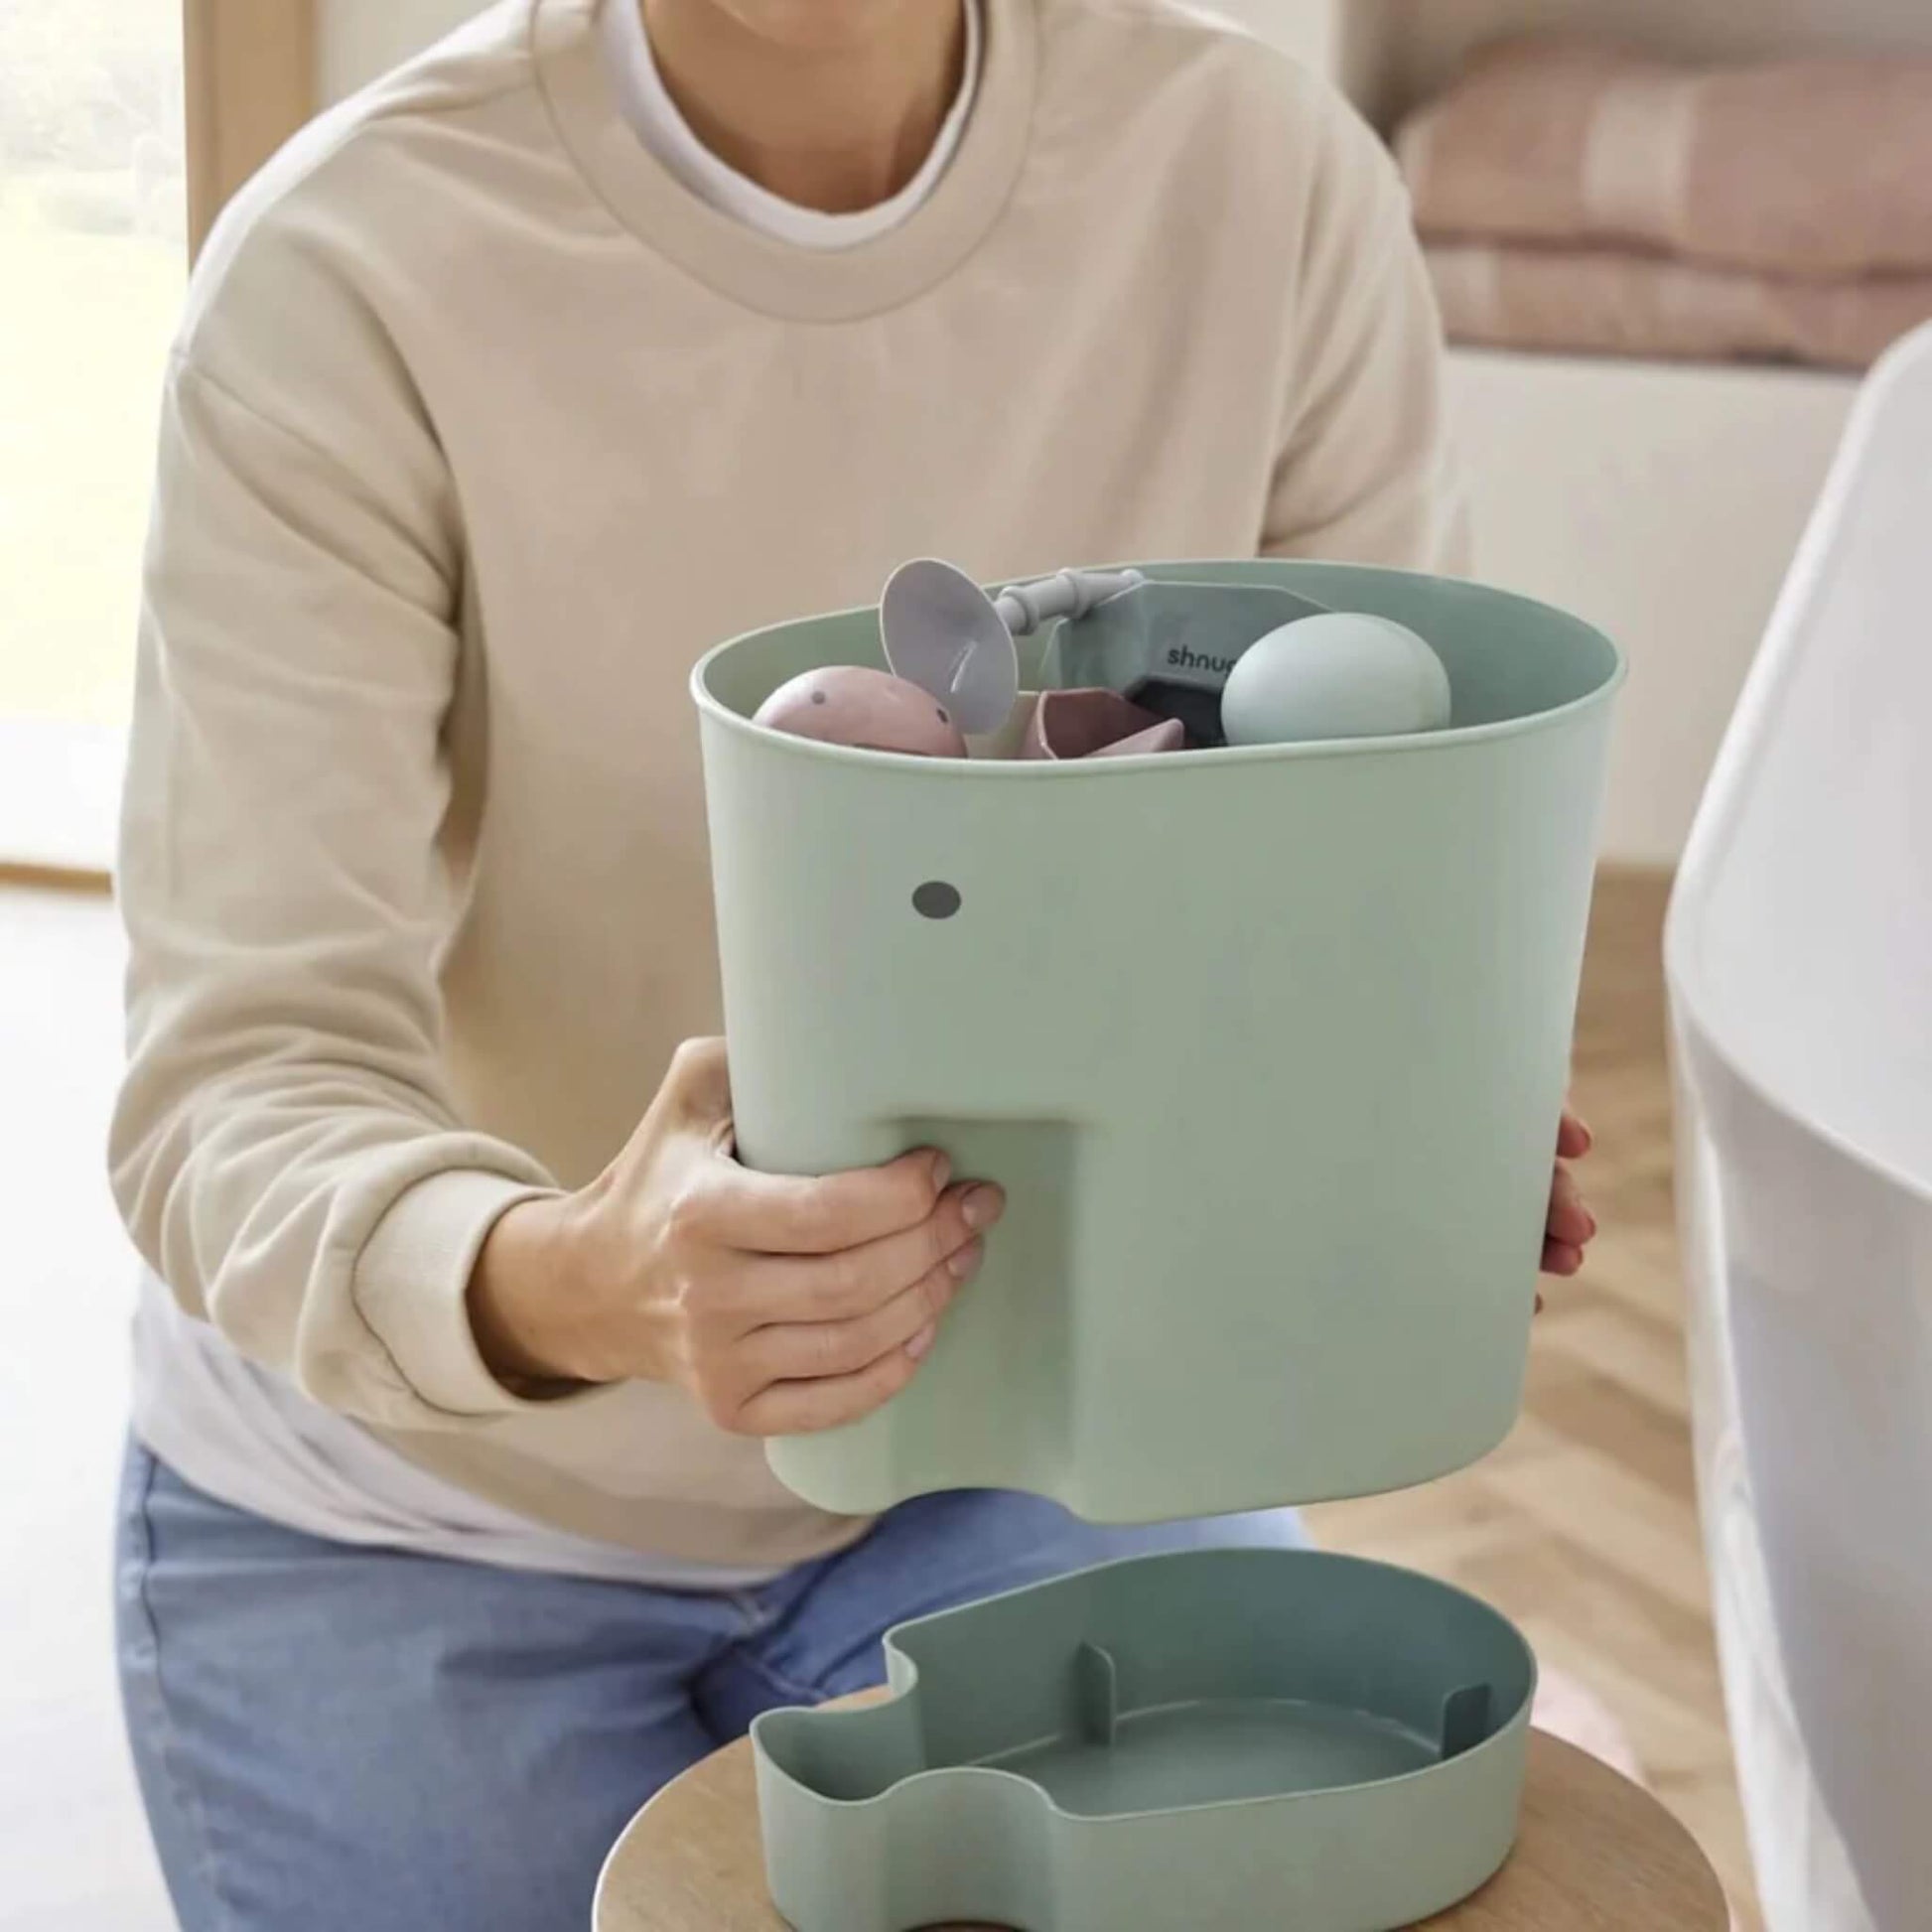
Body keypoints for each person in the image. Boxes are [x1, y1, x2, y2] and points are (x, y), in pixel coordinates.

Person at [108, 1, 1598, 1926]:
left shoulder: (1262, 177)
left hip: (1020, 1454)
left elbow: (1358, 861)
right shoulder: (350, 264)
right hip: (410, 1511)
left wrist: (1393, 1142)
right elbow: (235, 1079)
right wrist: (592, 1275)